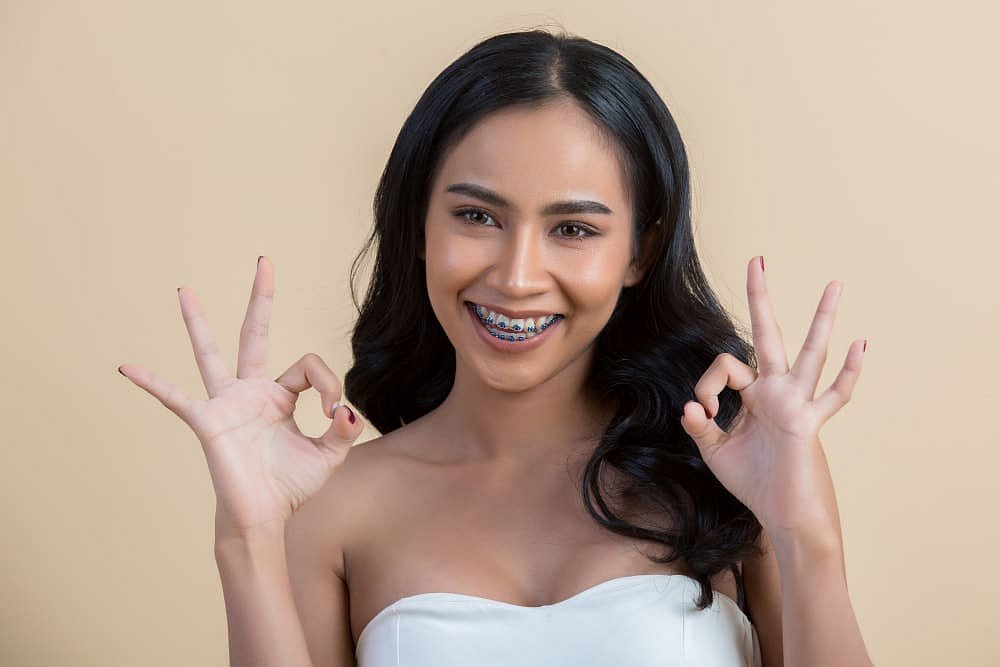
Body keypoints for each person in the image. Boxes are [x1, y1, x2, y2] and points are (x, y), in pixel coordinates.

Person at [118, 28, 873, 667]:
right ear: (418, 224)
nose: (516, 276)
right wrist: (248, 535)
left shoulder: (734, 473)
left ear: (640, 252)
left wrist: (804, 534)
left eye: (573, 229)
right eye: (478, 216)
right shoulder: (334, 504)